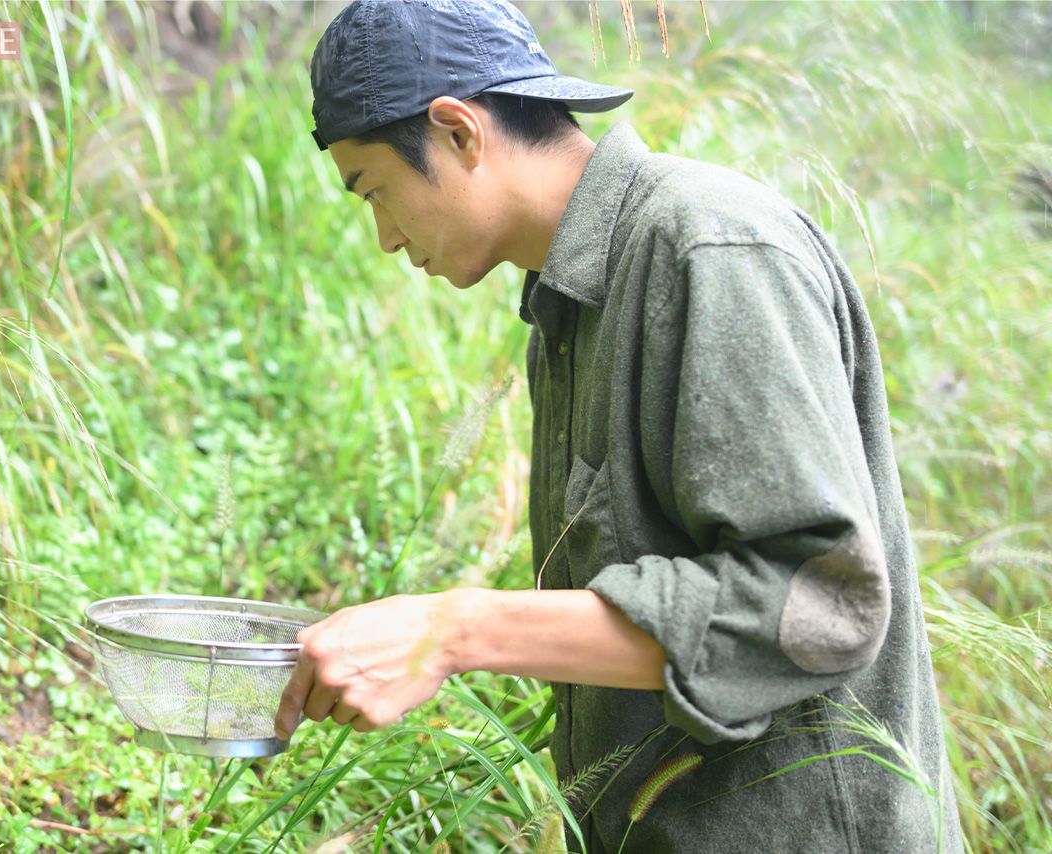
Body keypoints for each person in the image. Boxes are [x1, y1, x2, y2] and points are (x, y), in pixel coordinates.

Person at [275, 1, 964, 851]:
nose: (383, 236)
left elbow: (821, 605)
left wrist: (452, 631)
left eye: (375, 190)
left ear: (458, 132)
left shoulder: (710, 249)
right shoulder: (568, 303)